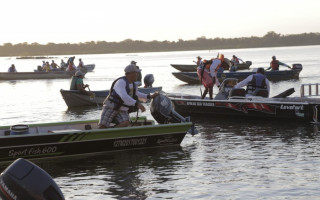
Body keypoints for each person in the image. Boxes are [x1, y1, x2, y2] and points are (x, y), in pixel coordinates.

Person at [98, 64, 158, 129]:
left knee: (126, 123)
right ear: (130, 73)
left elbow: (137, 94)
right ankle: (105, 132)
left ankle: (111, 132)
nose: (137, 74)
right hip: (111, 107)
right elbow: (124, 96)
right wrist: (137, 104)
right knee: (102, 126)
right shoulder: (120, 82)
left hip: (122, 109)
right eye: (136, 72)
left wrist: (150, 96)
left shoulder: (133, 84)